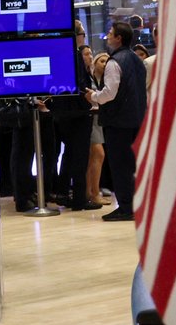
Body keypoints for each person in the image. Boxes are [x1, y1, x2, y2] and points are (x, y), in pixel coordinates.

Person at [86, 21, 148, 223]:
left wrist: (93, 96)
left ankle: (126, 208)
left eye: (111, 33)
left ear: (119, 38)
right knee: (133, 166)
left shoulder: (114, 62)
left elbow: (109, 93)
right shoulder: (137, 60)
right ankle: (136, 206)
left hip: (118, 122)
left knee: (120, 167)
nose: (108, 36)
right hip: (137, 120)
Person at [48, 23, 95, 209]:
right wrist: (89, 102)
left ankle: (64, 193)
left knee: (69, 154)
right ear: (77, 35)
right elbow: (80, 86)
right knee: (80, 157)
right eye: (82, 33)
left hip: (62, 114)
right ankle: (79, 200)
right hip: (77, 113)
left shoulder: (57, 54)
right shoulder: (74, 55)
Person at [85, 52, 112, 211]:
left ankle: (90, 191)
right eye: (102, 60)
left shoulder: (105, 81)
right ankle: (94, 193)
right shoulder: (90, 79)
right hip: (91, 119)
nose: (105, 63)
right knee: (98, 154)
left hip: (99, 121)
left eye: (107, 61)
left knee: (94, 157)